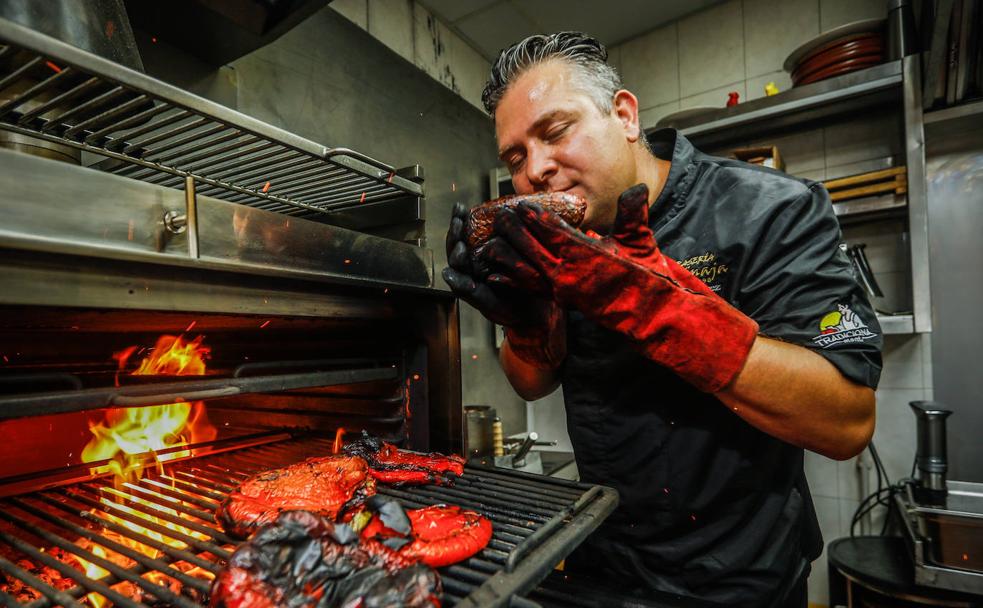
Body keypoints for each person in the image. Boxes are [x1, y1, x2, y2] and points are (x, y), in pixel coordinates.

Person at [443, 32, 882, 607]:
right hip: (600, 560)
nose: (536, 171)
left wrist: (659, 309)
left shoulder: (768, 208)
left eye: (554, 132)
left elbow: (846, 422)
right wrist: (528, 328)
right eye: (516, 157)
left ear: (624, 116)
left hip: (738, 578)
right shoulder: (556, 241)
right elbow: (531, 381)